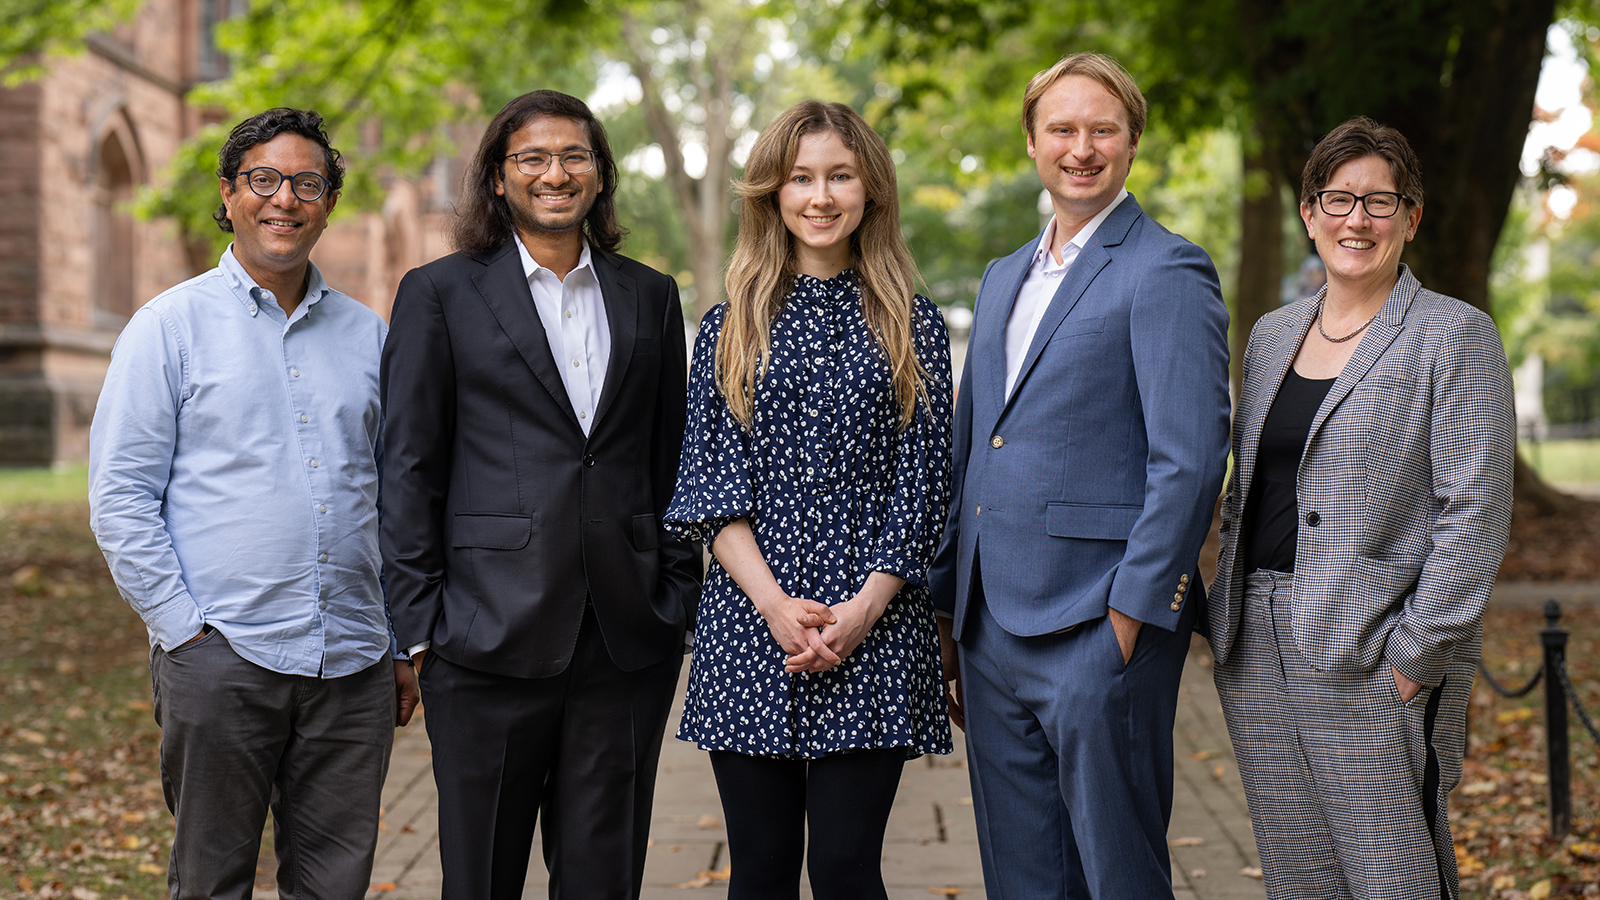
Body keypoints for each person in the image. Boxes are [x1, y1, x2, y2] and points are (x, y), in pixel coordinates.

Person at [380, 90, 702, 899]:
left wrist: (674, 595)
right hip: (483, 637)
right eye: (532, 158)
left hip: (626, 640)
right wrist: (419, 629)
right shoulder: (439, 293)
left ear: (600, 176)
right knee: (481, 876)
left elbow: (671, 459)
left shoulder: (651, 296)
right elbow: (409, 464)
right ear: (497, 177)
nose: (554, 173)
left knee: (604, 879)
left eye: (574, 157)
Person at [88, 108, 417, 899]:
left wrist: (401, 642)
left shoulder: (370, 336)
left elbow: (398, 496)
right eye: (264, 180)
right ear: (231, 194)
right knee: (212, 880)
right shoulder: (168, 326)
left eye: (307, 183)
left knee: (335, 883)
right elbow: (121, 497)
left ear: (330, 202)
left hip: (353, 660)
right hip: (222, 656)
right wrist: (183, 632)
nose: (285, 200)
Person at [929, 53, 1231, 897]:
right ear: (1032, 142)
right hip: (989, 632)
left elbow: (1192, 459)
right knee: (1022, 876)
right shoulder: (1000, 279)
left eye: (1103, 129)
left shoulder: (1166, 269)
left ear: (1132, 143)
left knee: (1117, 875)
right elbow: (971, 447)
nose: (1082, 147)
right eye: (1062, 128)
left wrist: (1132, 616)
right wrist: (953, 612)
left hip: (1098, 627)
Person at [1207, 117, 1515, 899]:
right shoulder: (1274, 335)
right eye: (1338, 200)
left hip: (1372, 646)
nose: (1356, 220)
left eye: (1380, 202)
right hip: (1257, 641)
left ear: (1411, 218)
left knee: (1393, 878)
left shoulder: (1454, 334)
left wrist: (1416, 656)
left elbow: (1475, 508)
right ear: (1309, 213)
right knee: (1299, 877)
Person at [664, 99, 953, 899]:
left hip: (876, 622)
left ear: (870, 192)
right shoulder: (730, 324)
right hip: (753, 626)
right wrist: (776, 607)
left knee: (846, 867)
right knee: (758, 870)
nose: (820, 196)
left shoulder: (911, 323)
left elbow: (923, 484)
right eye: (801, 178)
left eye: (840, 176)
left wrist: (861, 611)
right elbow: (710, 486)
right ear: (772, 193)